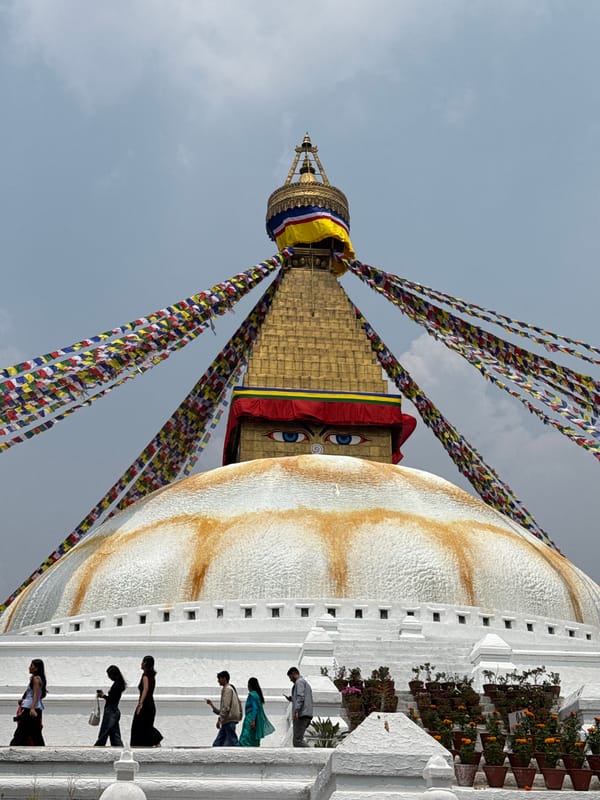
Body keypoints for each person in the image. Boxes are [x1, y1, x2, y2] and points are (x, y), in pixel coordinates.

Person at [10, 659, 47, 746]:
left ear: (36, 668)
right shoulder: (39, 679)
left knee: (21, 733)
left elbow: (36, 695)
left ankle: (12, 749)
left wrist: (32, 708)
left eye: (32, 666)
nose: (29, 668)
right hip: (33, 708)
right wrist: (24, 701)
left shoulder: (35, 679)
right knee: (35, 734)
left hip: (30, 710)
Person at [130, 655, 163, 747]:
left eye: (143, 661)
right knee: (146, 725)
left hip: (145, 704)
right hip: (150, 704)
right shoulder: (152, 676)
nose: (141, 663)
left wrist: (140, 704)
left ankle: (156, 740)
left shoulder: (145, 676)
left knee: (139, 724)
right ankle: (155, 741)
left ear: (145, 663)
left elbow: (145, 689)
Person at [205, 670, 242, 746]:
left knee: (232, 741)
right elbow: (222, 710)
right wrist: (211, 705)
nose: (218, 681)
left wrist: (220, 720)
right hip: (226, 721)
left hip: (228, 721)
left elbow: (226, 707)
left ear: (224, 678)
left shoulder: (228, 689)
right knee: (218, 743)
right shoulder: (227, 689)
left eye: (219, 679)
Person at [94, 665, 126, 747]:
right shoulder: (119, 684)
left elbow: (112, 699)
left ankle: (98, 747)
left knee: (104, 732)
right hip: (114, 711)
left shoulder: (116, 685)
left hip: (111, 711)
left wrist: (103, 696)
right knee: (115, 734)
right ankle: (119, 749)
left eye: (109, 675)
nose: (109, 677)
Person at [239, 676, 275, 747]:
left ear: (250, 685)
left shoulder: (252, 695)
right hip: (256, 719)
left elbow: (255, 708)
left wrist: (252, 720)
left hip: (251, 718)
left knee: (246, 736)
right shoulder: (257, 695)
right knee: (253, 736)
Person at [285, 667, 313, 747]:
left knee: (297, 741)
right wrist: (292, 699)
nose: (290, 680)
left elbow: (300, 697)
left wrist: (296, 710)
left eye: (290, 677)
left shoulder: (299, 682)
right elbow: (302, 697)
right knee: (298, 740)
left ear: (294, 674)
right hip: (306, 714)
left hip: (301, 714)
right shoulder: (304, 683)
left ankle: (312, 753)